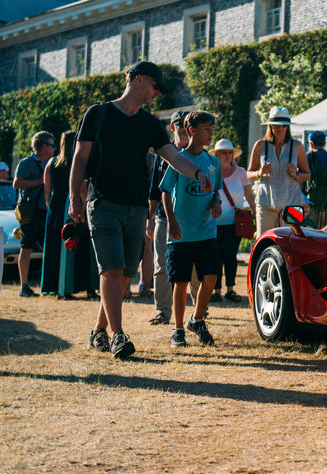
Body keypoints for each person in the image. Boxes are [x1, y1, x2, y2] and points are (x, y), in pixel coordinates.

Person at [68, 61, 213, 361]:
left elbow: (173, 157)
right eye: (156, 87)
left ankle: (98, 331)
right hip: (103, 202)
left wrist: (197, 173)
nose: (157, 93)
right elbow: (80, 158)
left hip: (135, 206)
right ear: (139, 80)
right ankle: (119, 336)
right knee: (111, 268)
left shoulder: (148, 124)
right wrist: (74, 196)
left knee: (124, 274)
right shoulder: (98, 113)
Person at [159, 111, 223, 348]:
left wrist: (216, 201)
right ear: (192, 130)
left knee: (211, 277)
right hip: (181, 233)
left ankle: (196, 320)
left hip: (206, 230)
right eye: (207, 128)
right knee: (181, 282)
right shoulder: (178, 160)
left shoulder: (213, 162)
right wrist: (172, 221)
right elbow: (165, 191)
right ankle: (177, 330)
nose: (211, 133)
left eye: (212, 129)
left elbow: (216, 191)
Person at [41, 131, 97, 298]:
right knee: (82, 248)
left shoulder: (51, 163)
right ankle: (88, 287)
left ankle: (59, 289)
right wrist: (87, 211)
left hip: (56, 209)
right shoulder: (78, 164)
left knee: (58, 249)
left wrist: (51, 208)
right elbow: (82, 189)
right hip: (76, 207)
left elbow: (47, 190)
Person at [147, 110, 189, 325]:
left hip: (191, 219)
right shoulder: (162, 156)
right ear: (172, 128)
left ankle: (199, 311)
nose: (183, 128)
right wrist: (149, 218)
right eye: (179, 124)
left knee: (194, 267)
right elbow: (154, 189)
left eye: (186, 124)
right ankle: (162, 311)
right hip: (163, 217)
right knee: (161, 265)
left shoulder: (199, 154)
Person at [247, 107, 310, 235]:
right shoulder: (260, 145)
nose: (279, 128)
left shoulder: (297, 146)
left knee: (292, 243)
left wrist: (296, 174)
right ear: (270, 126)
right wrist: (259, 173)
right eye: (276, 125)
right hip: (266, 204)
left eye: (283, 125)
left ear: (288, 127)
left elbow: (307, 175)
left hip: (292, 204)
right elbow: (249, 174)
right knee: (265, 242)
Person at [210, 138, 255, 303]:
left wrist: (256, 211)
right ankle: (216, 291)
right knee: (215, 257)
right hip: (213, 222)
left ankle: (230, 289)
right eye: (224, 152)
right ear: (217, 154)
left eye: (230, 152)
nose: (228, 155)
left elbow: (249, 195)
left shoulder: (241, 172)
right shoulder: (211, 172)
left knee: (230, 256)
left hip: (235, 223)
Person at [13, 131, 55, 297]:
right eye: (51, 145)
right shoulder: (26, 163)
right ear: (43, 146)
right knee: (26, 247)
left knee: (49, 248)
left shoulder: (51, 163)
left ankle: (50, 283)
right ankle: (24, 286)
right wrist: (41, 181)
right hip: (30, 212)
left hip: (45, 211)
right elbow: (17, 183)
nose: (54, 148)